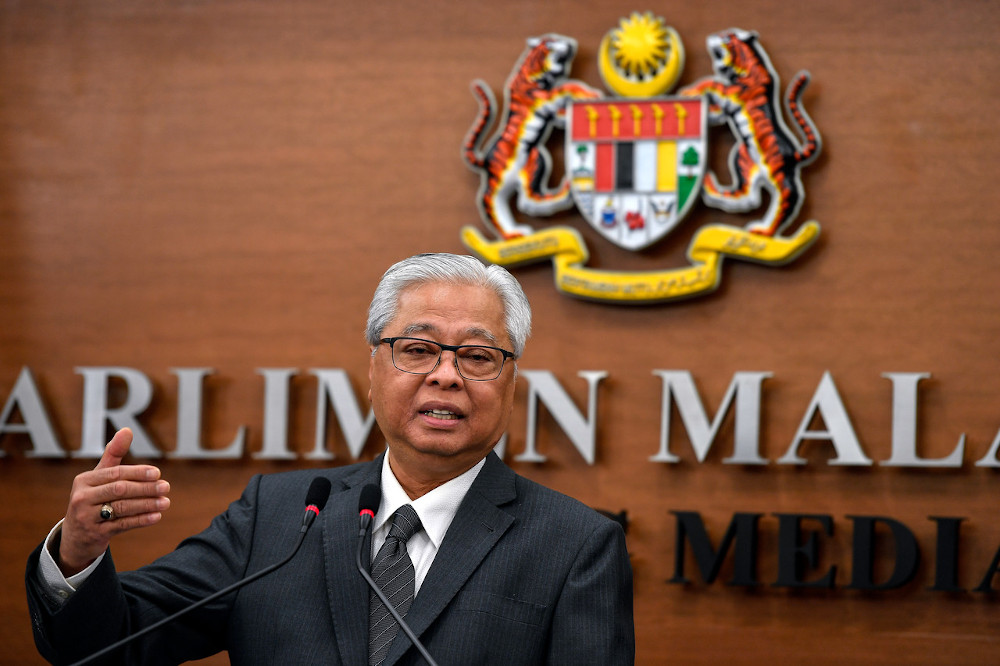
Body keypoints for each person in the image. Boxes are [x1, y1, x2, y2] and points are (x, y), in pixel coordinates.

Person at [26, 252, 635, 665]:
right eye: (418, 349)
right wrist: (77, 552)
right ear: (373, 369)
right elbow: (108, 643)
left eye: (477, 357)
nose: (446, 376)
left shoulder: (575, 546)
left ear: (510, 383)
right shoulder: (279, 516)